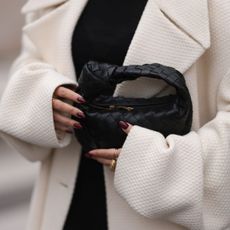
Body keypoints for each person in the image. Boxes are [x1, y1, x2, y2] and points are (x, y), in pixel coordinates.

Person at [0, 0, 230, 229]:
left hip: (156, 218)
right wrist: (45, 97)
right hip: (65, 202)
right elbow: (32, 57)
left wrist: (152, 162)